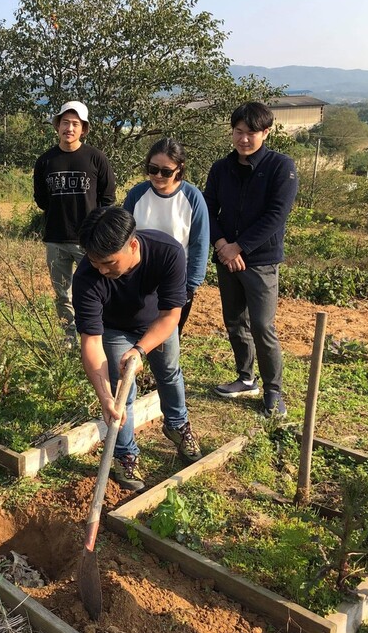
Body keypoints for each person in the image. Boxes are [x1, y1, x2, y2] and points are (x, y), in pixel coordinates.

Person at [73, 207, 202, 492]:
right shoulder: (87, 277)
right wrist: (104, 396)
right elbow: (92, 342)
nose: (102, 270)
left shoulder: (167, 252)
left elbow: (170, 316)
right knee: (122, 392)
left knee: (169, 371)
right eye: (95, 263)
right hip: (115, 327)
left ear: (132, 245)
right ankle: (125, 454)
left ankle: (177, 425)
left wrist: (140, 349)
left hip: (157, 323)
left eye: (108, 263)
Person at [204, 102, 297, 417]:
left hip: (260, 261)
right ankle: (246, 378)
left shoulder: (280, 167)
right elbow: (208, 208)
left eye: (251, 133)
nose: (244, 139)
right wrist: (221, 245)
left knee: (261, 325)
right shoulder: (221, 168)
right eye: (238, 131)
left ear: (266, 132)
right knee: (235, 322)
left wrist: (239, 247)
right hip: (226, 256)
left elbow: (276, 215)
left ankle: (273, 391)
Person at [34, 101, 115, 342]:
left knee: (94, 290)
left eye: (75, 124)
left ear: (84, 129)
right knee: (62, 293)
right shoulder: (45, 161)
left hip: (88, 241)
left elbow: (107, 198)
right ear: (57, 126)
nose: (69, 128)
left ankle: (95, 335)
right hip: (56, 238)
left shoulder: (96, 158)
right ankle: (68, 337)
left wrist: (96, 231)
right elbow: (41, 199)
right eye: (65, 122)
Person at [123, 137, 209, 336]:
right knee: (137, 333)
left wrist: (191, 286)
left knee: (168, 339)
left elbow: (199, 243)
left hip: (176, 282)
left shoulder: (192, 197)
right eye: (153, 169)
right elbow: (124, 236)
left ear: (180, 168)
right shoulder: (137, 195)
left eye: (166, 171)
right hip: (138, 279)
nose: (158, 175)